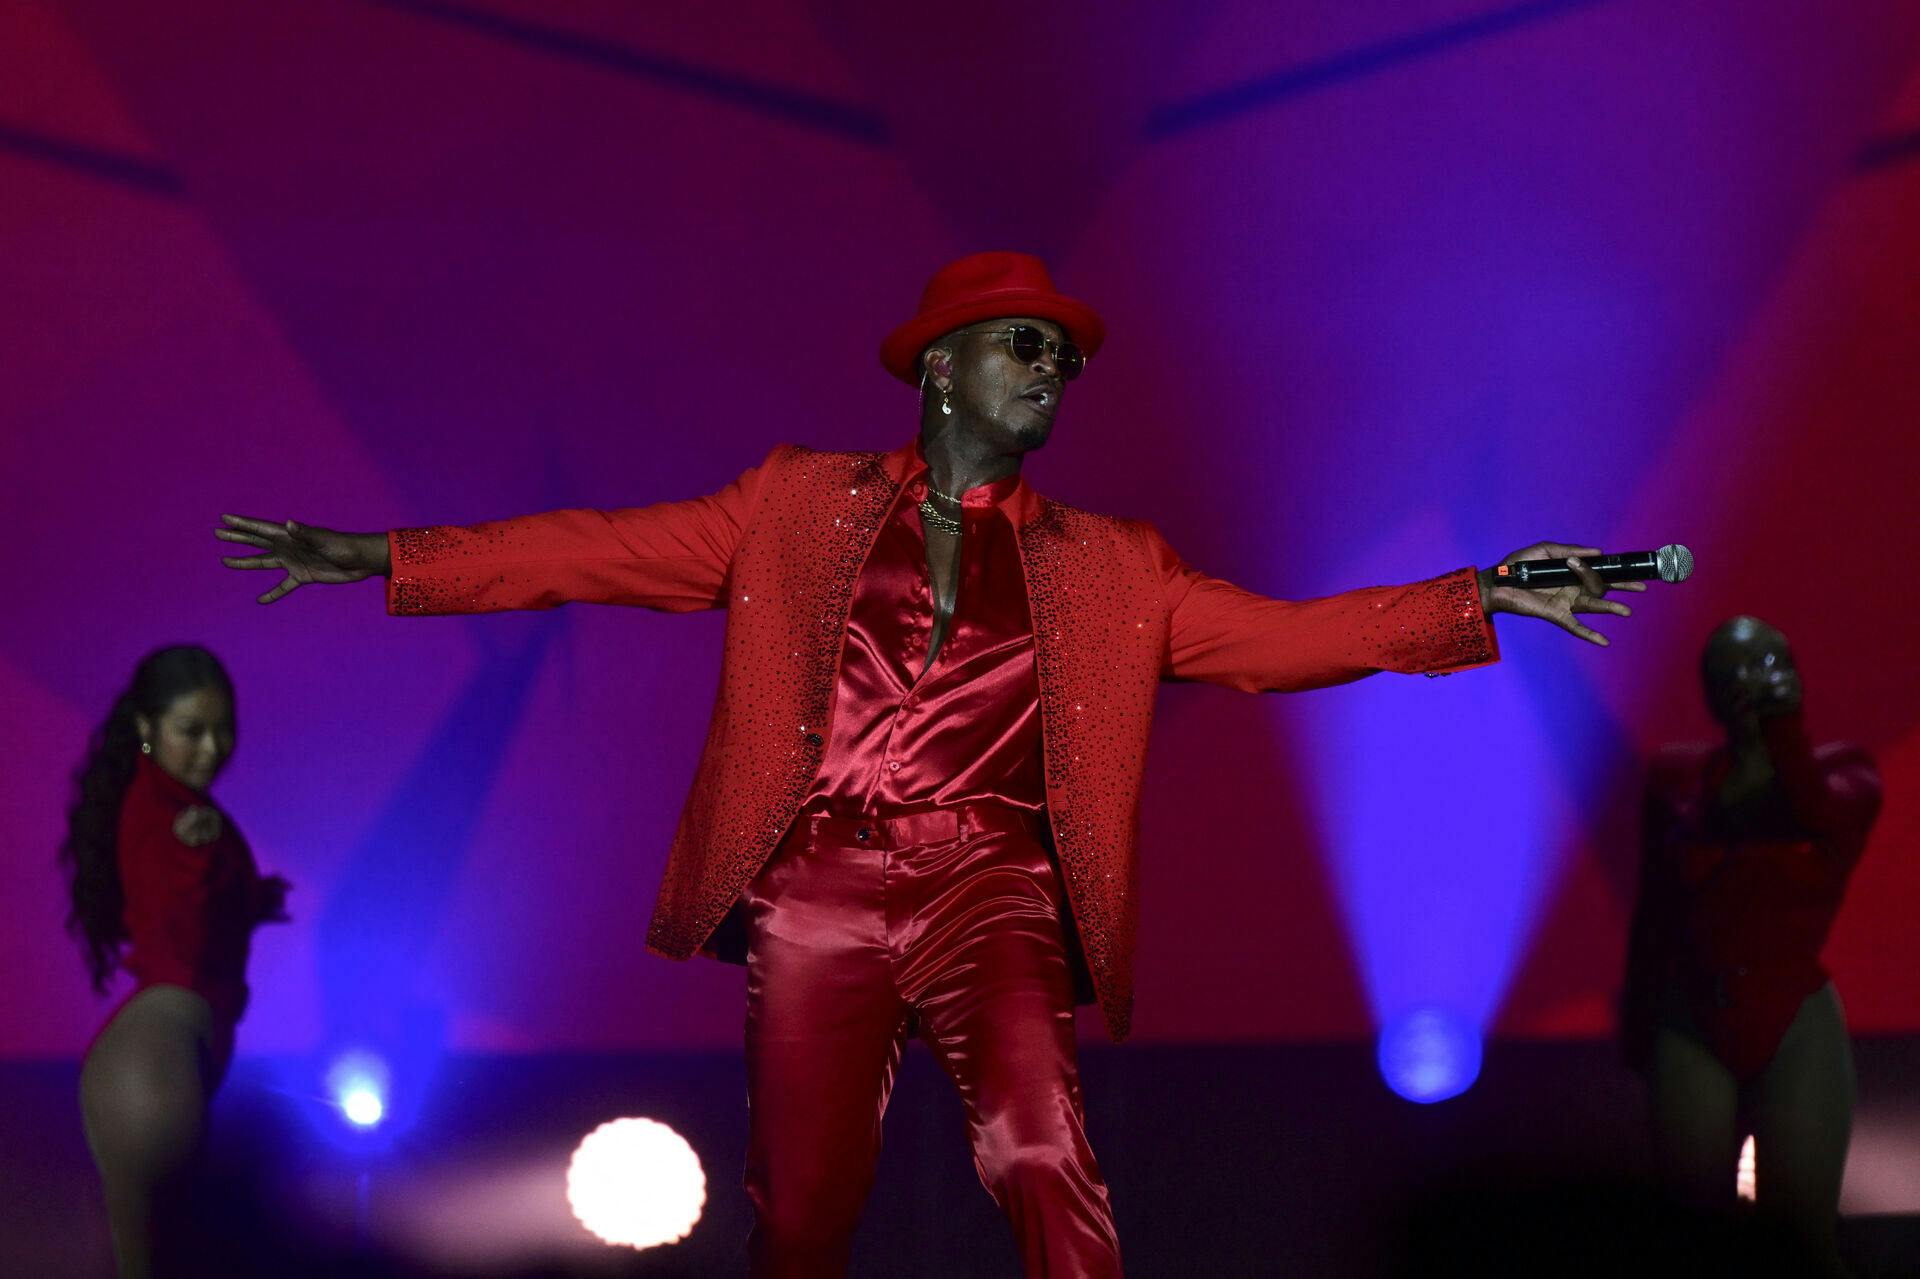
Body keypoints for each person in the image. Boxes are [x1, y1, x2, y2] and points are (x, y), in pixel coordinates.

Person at [216, 252, 1642, 1277]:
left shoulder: (1106, 562)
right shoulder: (793, 504)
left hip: (994, 885)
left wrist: (1480, 595)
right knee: (808, 1205)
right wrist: (388, 560)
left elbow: (1278, 640)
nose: (1050, 373)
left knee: (1041, 1150)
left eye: (1062, 358)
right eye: (1023, 345)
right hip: (820, 884)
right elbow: (589, 547)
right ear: (941, 365)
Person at [1621, 616, 1880, 1277]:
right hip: (1691, 1017)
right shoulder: (1679, 779)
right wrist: (1637, 1011)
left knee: (1803, 1240)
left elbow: (1812, 813)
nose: (1753, 681)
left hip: (1795, 1016)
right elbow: (1655, 902)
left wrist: (1784, 733)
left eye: (1768, 663)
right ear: (1711, 697)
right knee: (1690, 1243)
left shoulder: (1848, 775)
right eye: (1733, 673)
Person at [59, 645, 291, 1278]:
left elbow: (180, 916)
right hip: (158, 1059)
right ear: (145, 729)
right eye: (191, 731)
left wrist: (249, 900)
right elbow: (171, 922)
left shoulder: (174, 805)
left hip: (159, 1056)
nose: (212, 748)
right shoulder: (166, 814)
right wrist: (193, 865)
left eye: (225, 729)